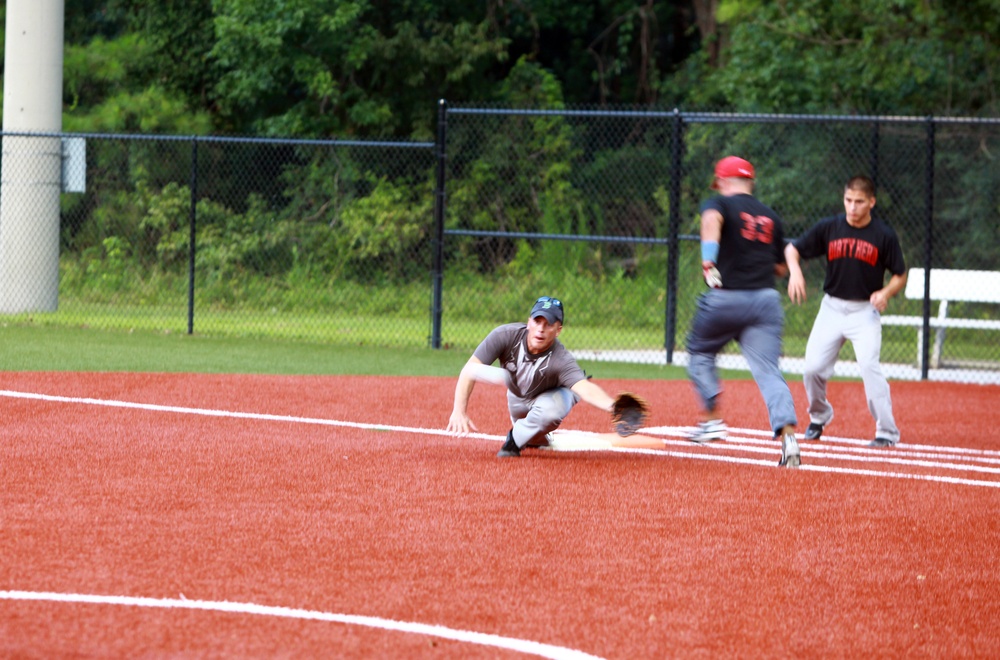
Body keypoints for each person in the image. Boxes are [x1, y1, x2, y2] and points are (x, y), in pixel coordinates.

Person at [686, 156, 800, 467]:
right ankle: (788, 436)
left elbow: (711, 222)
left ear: (722, 182)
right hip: (765, 301)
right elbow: (778, 266)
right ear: (750, 182)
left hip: (727, 298)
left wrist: (709, 261)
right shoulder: (771, 216)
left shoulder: (718, 203)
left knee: (699, 352)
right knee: (768, 370)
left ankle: (711, 421)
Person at [785, 175, 907, 448]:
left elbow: (900, 275)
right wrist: (795, 272)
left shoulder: (883, 235)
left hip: (864, 312)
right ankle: (819, 415)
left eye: (859, 202)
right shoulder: (830, 227)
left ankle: (887, 432)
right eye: (848, 200)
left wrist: (885, 293)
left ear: (871, 202)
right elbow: (792, 249)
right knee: (812, 368)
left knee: (868, 366)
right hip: (831, 308)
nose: (853, 207)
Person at [447, 295, 621, 457]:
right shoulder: (505, 335)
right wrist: (459, 410)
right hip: (518, 395)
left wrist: (615, 407)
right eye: (537, 321)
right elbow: (469, 369)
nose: (541, 329)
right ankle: (532, 436)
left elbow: (585, 388)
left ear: (558, 330)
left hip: (552, 395)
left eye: (548, 324)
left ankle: (513, 441)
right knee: (502, 378)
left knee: (551, 411)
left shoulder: (561, 358)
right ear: (529, 322)